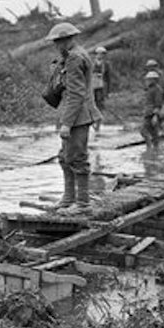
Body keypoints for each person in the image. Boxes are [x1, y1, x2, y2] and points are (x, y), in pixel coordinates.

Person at [45, 22, 103, 215]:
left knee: (77, 158)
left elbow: (77, 94)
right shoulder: (71, 56)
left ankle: (83, 204)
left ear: (66, 40)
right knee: (64, 157)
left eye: (57, 42)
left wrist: (67, 124)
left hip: (77, 116)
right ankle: (69, 198)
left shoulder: (74, 58)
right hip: (73, 113)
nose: (56, 46)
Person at [140, 71, 164, 149]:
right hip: (148, 113)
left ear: (153, 80)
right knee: (154, 134)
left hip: (152, 114)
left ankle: (150, 148)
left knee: (144, 131)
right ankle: (154, 149)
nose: (146, 81)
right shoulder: (150, 89)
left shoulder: (157, 90)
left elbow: (158, 104)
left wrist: (156, 116)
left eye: (148, 79)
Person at [91, 46, 111, 135]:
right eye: (99, 53)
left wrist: (108, 91)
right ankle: (92, 123)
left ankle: (98, 125)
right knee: (92, 104)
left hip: (101, 87)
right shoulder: (91, 63)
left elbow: (108, 78)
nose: (101, 55)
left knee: (100, 105)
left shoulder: (106, 64)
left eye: (103, 54)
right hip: (92, 86)